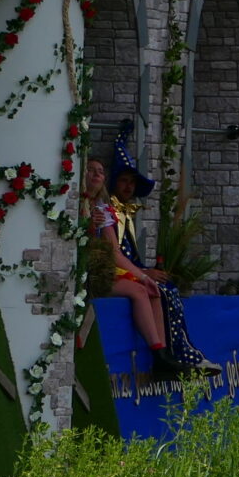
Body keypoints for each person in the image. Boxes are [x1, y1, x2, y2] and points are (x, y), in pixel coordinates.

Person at [94, 130, 220, 381]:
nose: (129, 187)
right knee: (152, 289)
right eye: (123, 181)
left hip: (122, 269)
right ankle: (172, 355)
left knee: (161, 289)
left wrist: (143, 273)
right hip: (100, 273)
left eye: (132, 183)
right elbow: (111, 252)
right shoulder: (98, 208)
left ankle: (169, 357)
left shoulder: (112, 210)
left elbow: (118, 251)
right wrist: (142, 275)